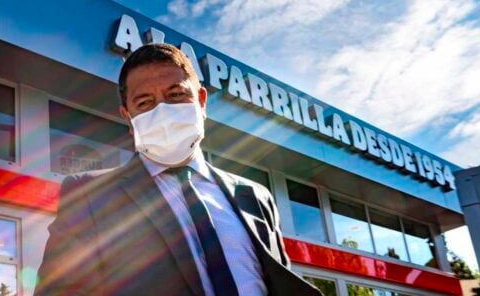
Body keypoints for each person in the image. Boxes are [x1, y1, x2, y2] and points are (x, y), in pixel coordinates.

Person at [35, 43, 320, 296]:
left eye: (175, 95)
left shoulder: (256, 196)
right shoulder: (90, 195)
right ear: (127, 116)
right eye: (144, 102)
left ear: (202, 101)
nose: (163, 110)